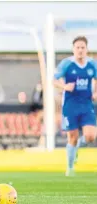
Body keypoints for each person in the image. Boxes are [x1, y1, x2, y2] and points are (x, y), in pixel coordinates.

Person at [53, 36, 97, 177]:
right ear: (73, 49)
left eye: (82, 47)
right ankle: (70, 167)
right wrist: (65, 86)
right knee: (72, 137)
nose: (80, 50)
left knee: (90, 136)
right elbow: (53, 80)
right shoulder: (67, 64)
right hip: (70, 106)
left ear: (86, 49)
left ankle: (77, 147)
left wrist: (95, 92)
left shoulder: (92, 64)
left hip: (86, 104)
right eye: (77, 47)